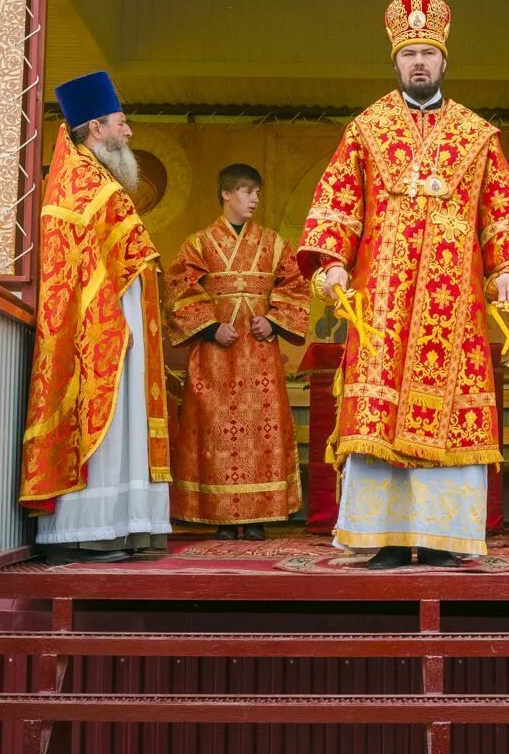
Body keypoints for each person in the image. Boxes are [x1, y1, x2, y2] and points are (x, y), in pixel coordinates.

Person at [299, 0, 509, 569]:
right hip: (381, 306)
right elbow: (337, 206)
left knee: (449, 411)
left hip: (451, 307)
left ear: (443, 61)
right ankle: (380, 534)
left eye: (427, 53)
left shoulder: (477, 134)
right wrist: (332, 262)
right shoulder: (366, 129)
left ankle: (442, 536)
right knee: (378, 416)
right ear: (395, 61)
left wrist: (508, 267)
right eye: (408, 53)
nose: (418, 62)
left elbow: (502, 213)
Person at [20, 71, 172, 562]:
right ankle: (92, 529)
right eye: (120, 123)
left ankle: (128, 525)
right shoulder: (79, 180)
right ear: (95, 128)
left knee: (125, 420)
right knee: (105, 421)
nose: (129, 133)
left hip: (118, 317)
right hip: (97, 327)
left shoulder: (94, 175)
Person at [167, 164, 309, 540]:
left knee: (261, 432)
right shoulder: (198, 244)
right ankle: (222, 516)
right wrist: (212, 327)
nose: (254, 200)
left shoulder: (275, 243)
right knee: (215, 431)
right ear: (227, 194)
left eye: (257, 193)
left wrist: (275, 322)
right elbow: (179, 288)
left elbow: (296, 288)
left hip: (260, 354)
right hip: (215, 355)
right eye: (247, 192)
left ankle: (259, 515)